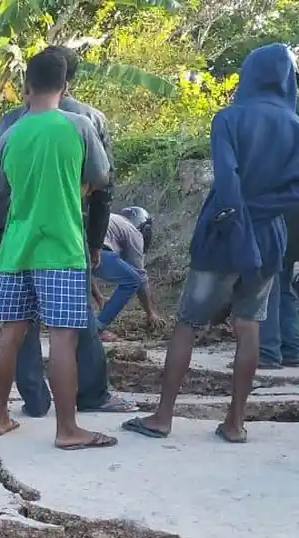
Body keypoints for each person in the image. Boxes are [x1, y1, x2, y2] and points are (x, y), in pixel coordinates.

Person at [126, 43, 299, 443]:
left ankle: (163, 416)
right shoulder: (294, 125)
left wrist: (240, 224)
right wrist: (264, 212)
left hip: (224, 234)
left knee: (187, 324)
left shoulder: (230, 118)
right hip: (269, 237)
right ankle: (235, 423)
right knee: (249, 325)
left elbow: (226, 181)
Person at [0, 47, 133, 419]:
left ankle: (1, 419)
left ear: (27, 85)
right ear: (65, 85)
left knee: (11, 337)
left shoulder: (9, 133)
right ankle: (67, 428)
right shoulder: (80, 125)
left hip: (15, 248)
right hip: (61, 247)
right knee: (64, 338)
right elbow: (102, 181)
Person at [94, 207, 159, 337]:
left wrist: (98, 296)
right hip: (98, 250)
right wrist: (150, 313)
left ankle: (86, 328)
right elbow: (140, 276)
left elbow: (88, 270)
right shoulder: (133, 232)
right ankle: (97, 328)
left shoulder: (114, 221)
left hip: (76, 248)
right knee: (132, 280)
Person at [267, 208, 299, 368]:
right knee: (283, 288)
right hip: (292, 231)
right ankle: (290, 349)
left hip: (284, 227)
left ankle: (266, 352)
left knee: (268, 289)